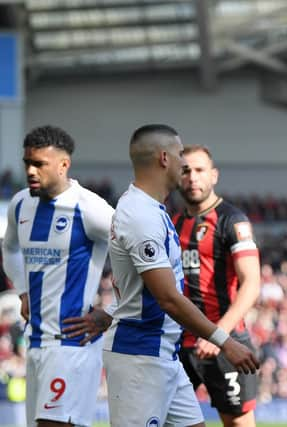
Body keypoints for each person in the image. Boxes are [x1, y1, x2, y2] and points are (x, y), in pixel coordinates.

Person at [67, 124, 259, 427]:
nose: (185, 165)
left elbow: (141, 288)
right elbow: (168, 298)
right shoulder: (142, 216)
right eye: (181, 155)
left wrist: (112, 311)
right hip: (140, 357)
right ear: (164, 158)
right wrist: (226, 341)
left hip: (164, 354)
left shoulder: (154, 211)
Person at [1, 125, 113, 427]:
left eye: (39, 164)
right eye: (27, 163)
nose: (31, 171)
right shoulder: (21, 203)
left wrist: (112, 311)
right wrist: (23, 289)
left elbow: (141, 255)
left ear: (64, 165)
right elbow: (9, 248)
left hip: (71, 344)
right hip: (36, 342)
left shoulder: (90, 208)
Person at [173, 144, 261, 427]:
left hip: (225, 342)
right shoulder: (170, 223)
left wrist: (219, 335)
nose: (192, 177)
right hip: (178, 345)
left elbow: (251, 283)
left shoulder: (231, 220)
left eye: (199, 170)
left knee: (237, 422)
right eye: (185, 170)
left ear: (214, 175)